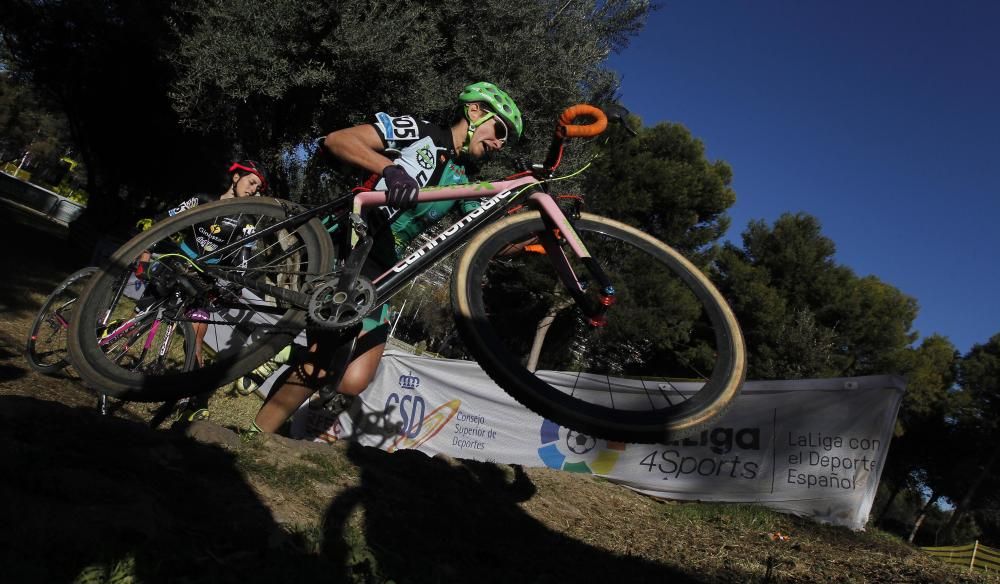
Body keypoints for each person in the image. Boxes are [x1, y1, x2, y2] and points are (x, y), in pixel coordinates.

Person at [248, 81, 523, 435]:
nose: (500, 144)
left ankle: (281, 368)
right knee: (321, 359)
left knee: (354, 379)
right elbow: (338, 139)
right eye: (499, 130)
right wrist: (389, 169)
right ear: (474, 112)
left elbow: (491, 240)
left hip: (383, 270)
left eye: (505, 139)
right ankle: (257, 436)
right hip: (350, 243)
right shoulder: (422, 132)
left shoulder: (466, 180)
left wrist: (537, 236)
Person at [136, 160, 269, 422]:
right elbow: (165, 222)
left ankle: (193, 400)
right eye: (251, 182)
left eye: (258, 187)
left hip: (203, 281)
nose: (254, 189)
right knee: (140, 318)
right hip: (174, 266)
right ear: (236, 177)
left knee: (195, 341)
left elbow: (244, 261)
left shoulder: (248, 221)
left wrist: (235, 286)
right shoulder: (202, 200)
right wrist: (144, 252)